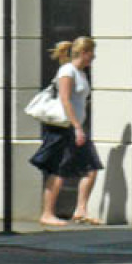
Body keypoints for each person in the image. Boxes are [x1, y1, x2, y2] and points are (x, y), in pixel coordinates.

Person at [30, 37, 103, 226]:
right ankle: (47, 213)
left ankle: (80, 210)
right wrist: (77, 127)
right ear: (84, 52)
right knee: (58, 169)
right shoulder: (67, 71)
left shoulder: (81, 73)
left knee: (91, 167)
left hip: (75, 127)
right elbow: (65, 99)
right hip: (62, 127)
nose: (93, 57)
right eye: (91, 52)